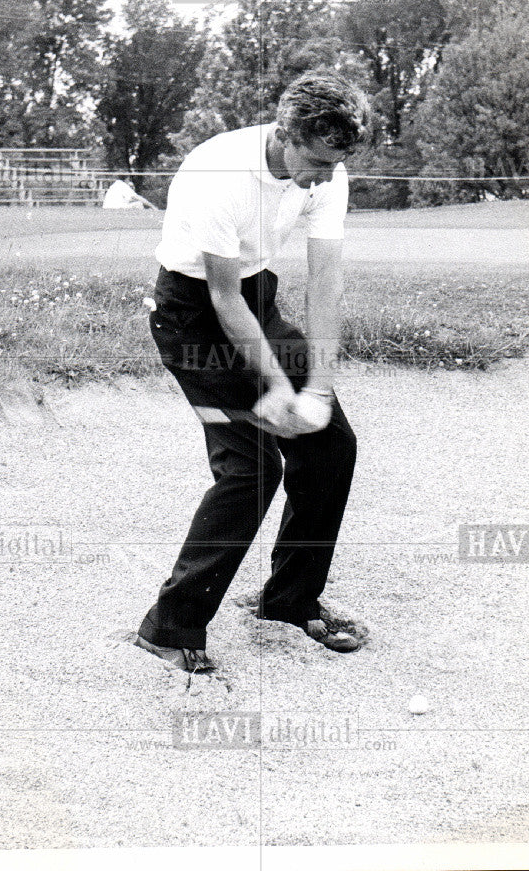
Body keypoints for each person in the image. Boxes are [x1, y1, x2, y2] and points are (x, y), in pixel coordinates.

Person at [135, 70, 371, 672]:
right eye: (317, 160)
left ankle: (290, 601)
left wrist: (315, 383)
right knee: (253, 468)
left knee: (332, 444)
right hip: (191, 317)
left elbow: (325, 282)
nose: (324, 176)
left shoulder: (328, 173)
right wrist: (273, 384)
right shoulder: (219, 172)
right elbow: (222, 297)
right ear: (285, 134)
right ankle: (171, 625)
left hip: (256, 298)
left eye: (335, 163)